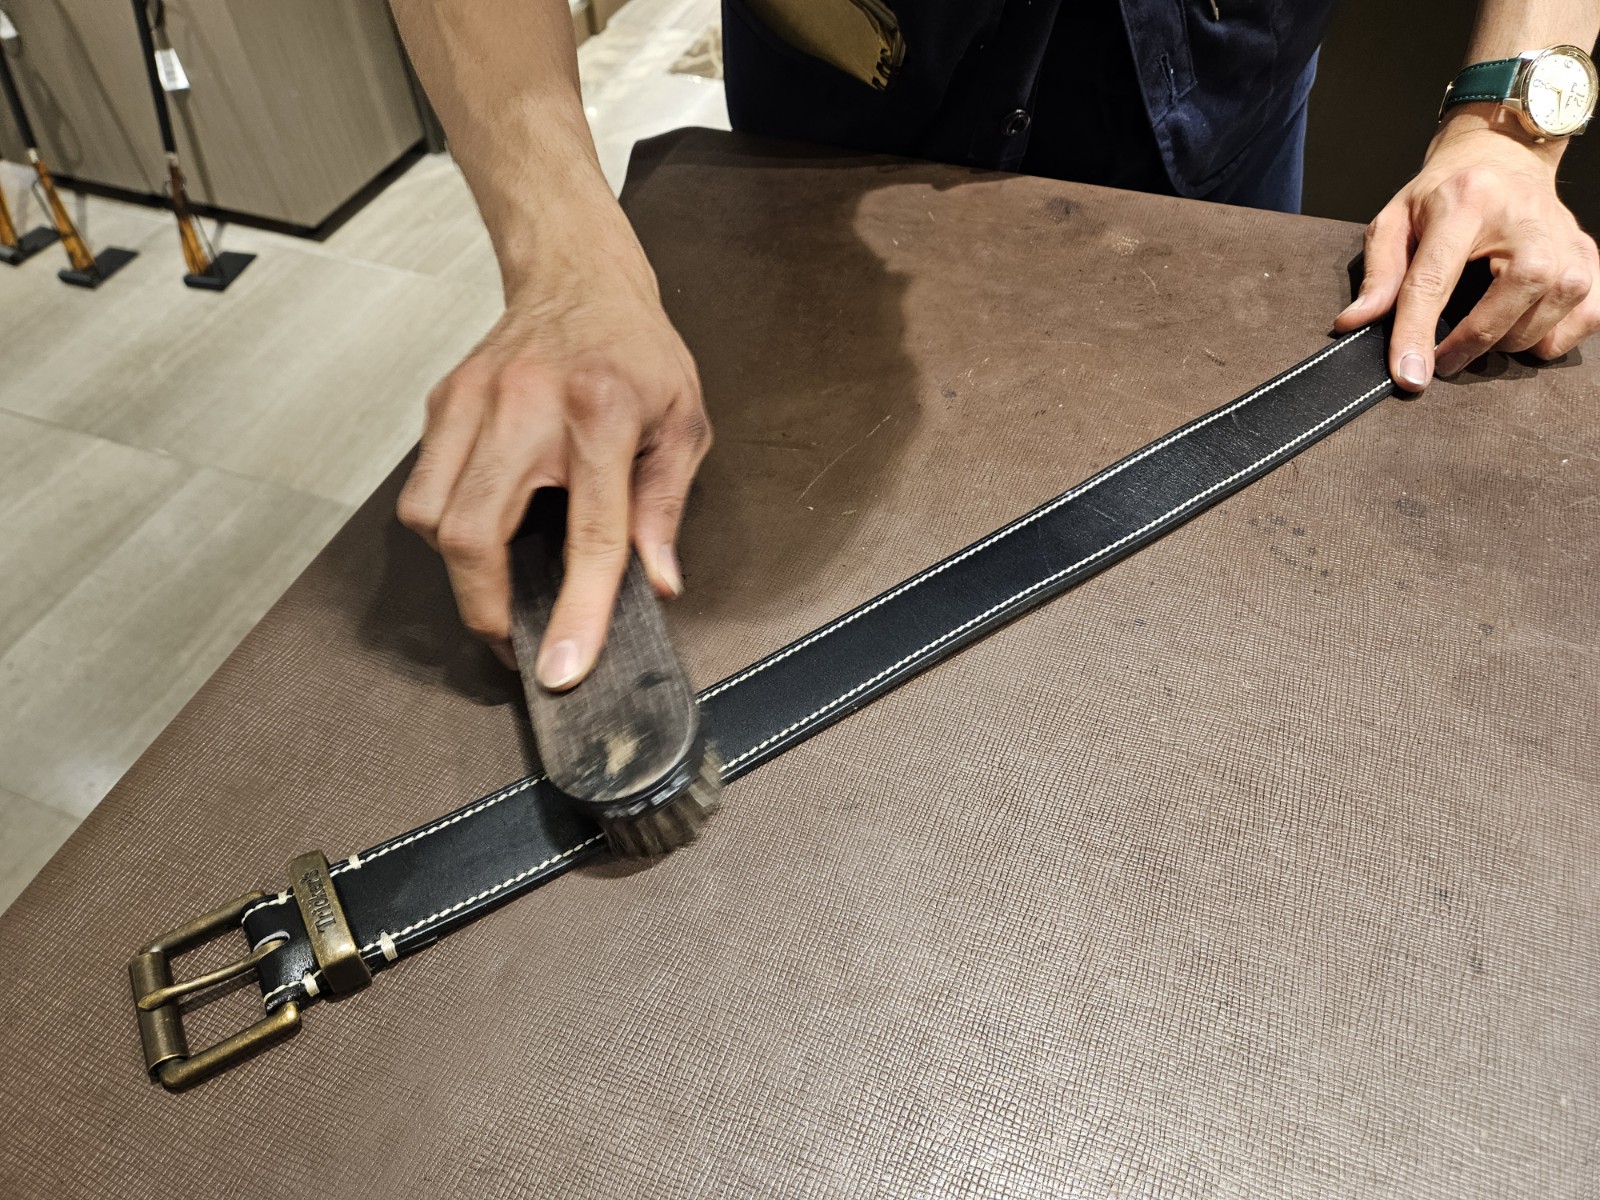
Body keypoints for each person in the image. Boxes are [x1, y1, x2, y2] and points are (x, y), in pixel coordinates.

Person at [387, 0, 1600, 690]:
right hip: (844, 92)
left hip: (1214, 87)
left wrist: (1508, 123)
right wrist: (559, 247)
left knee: (1200, 619)